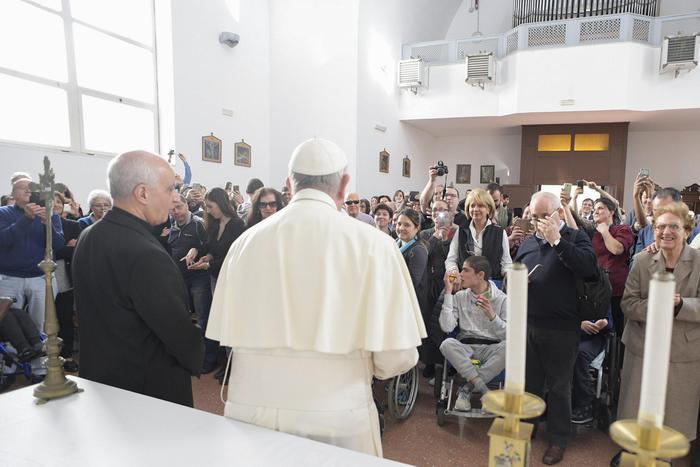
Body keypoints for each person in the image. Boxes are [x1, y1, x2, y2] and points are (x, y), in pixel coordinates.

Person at [205, 138, 426, 457]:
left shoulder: (245, 243)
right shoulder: (374, 244)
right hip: (337, 415)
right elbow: (397, 358)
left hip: (251, 413)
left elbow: (227, 334)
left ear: (288, 185)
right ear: (344, 185)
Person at [72, 150, 204, 406]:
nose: (175, 198)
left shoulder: (89, 234)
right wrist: (197, 349)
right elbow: (174, 329)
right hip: (146, 389)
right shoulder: (145, 252)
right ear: (143, 193)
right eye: (170, 189)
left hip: (103, 380)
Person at [514, 191, 598, 465]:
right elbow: (516, 270)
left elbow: (588, 268)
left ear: (559, 213)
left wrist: (557, 241)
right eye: (534, 217)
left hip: (562, 328)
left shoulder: (575, 238)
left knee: (560, 387)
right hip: (530, 324)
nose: (538, 222)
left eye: (543, 216)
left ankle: (559, 439)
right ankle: (527, 428)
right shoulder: (528, 243)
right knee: (531, 384)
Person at [613, 202, 700, 466]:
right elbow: (627, 303)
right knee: (637, 412)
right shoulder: (641, 260)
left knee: (674, 416)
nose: (666, 232)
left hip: (683, 353)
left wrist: (681, 305)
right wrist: (657, 304)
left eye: (674, 226)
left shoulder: (698, 262)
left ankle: (664, 458)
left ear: (686, 229)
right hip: (643, 348)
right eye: (660, 226)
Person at [439, 256, 507, 411]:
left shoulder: (502, 299)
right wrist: (449, 293)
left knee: (511, 347)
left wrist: (492, 316)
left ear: (480, 275)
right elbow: (446, 327)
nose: (460, 274)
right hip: (466, 350)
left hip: (491, 350)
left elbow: (508, 336)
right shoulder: (459, 296)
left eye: (465, 270)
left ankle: (467, 389)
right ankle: (483, 390)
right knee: (446, 343)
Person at [0, 176, 64, 333]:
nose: (29, 190)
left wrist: (46, 224)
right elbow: (3, 241)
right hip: (9, 277)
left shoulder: (50, 214)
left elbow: (58, 245)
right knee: (9, 324)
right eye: (23, 187)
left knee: (42, 324)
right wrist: (26, 219)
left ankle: (41, 357)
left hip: (41, 278)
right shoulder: (3, 213)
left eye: (33, 188)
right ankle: (13, 357)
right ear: (12, 194)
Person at [168, 194, 217, 373]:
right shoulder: (171, 225)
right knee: (183, 319)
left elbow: (211, 248)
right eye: (172, 209)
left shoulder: (198, 224)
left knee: (204, 318)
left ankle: (209, 358)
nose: (176, 212)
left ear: (186, 205)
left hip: (199, 278)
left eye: (179, 207)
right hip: (179, 278)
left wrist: (196, 249)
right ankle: (190, 356)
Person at [445, 188, 512, 284]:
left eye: (480, 206)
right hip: (464, 286)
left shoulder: (499, 232)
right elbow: (451, 260)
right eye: (472, 206)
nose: (475, 209)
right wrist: (453, 275)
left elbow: (506, 263)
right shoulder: (461, 230)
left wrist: (510, 275)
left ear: (488, 209)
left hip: (491, 287)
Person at [395, 209, 434, 371]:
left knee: (408, 347)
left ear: (416, 228)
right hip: (397, 301)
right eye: (398, 224)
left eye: (407, 225)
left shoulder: (418, 250)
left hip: (412, 303)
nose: (401, 228)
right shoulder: (395, 243)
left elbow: (412, 281)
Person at [185, 187, 245, 292]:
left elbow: (235, 256)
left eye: (210, 206)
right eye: (206, 207)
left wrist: (209, 264)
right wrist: (203, 253)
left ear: (221, 203)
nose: (208, 210)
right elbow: (212, 247)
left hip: (231, 277)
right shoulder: (214, 223)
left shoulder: (237, 225)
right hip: (215, 277)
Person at [590, 197, 634, 337]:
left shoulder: (623, 229)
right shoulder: (593, 232)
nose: (595, 212)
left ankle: (618, 358)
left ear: (611, 212)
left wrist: (604, 231)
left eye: (600, 208)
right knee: (598, 329)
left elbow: (616, 250)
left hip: (617, 288)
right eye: (594, 209)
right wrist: (567, 207)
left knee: (618, 329)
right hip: (597, 288)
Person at [53, 191, 82, 373]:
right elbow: (43, 251)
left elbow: (76, 250)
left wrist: (61, 250)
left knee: (65, 318)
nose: (54, 204)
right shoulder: (38, 224)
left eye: (57, 201)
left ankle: (68, 355)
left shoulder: (72, 225)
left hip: (65, 277)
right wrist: (64, 247)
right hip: (40, 276)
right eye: (51, 201)